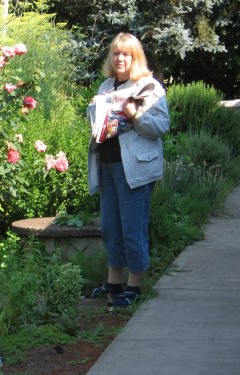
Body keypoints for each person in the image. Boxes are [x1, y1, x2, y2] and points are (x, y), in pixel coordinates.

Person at [87, 32, 170, 307]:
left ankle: (134, 286)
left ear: (135, 57)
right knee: (111, 226)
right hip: (108, 166)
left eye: (126, 54)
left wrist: (134, 114)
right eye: (115, 53)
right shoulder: (106, 86)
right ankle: (114, 282)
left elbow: (160, 127)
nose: (119, 58)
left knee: (132, 228)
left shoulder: (148, 87)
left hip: (134, 169)